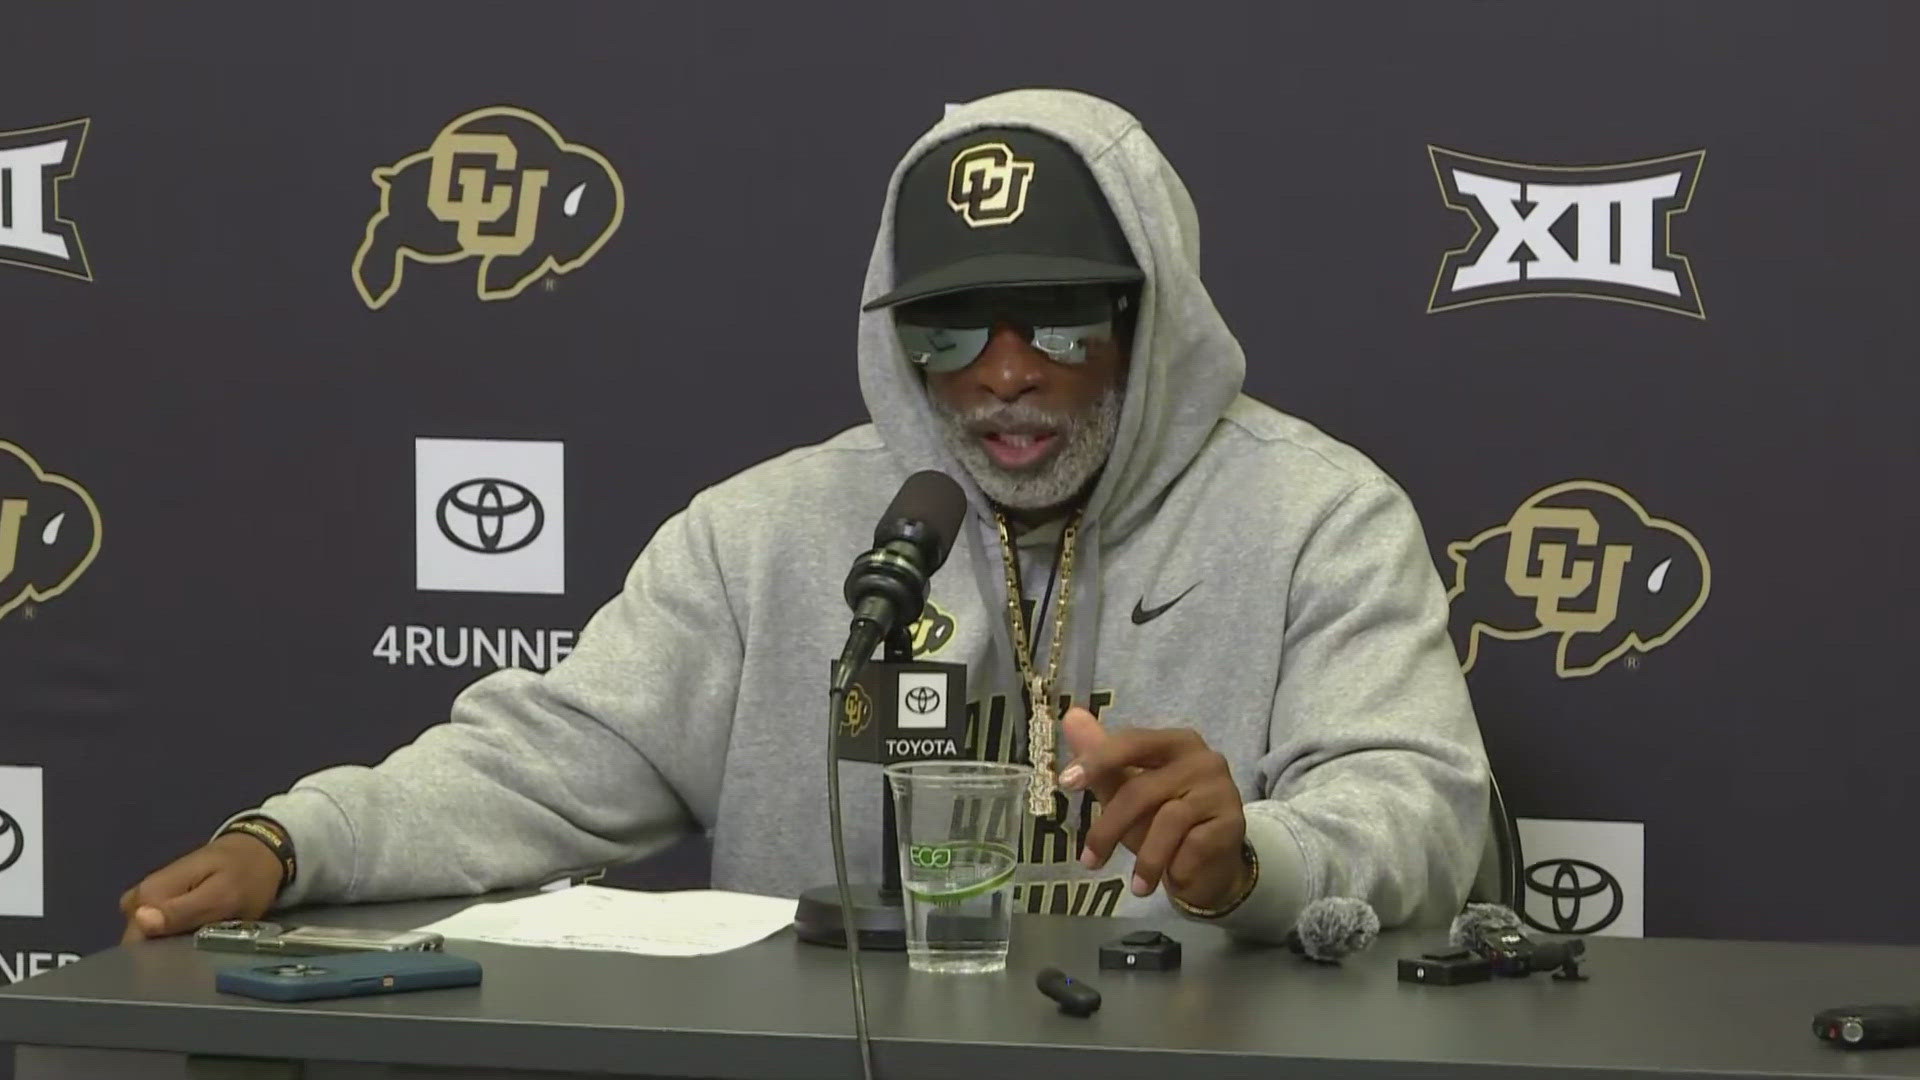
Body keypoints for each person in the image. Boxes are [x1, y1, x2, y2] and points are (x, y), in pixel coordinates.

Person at [121, 88, 1489, 946]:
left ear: (1158, 320)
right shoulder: (772, 532)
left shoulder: (1319, 518)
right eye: (950, 331)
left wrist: (1255, 850)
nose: (1005, 373)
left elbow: (1421, 807)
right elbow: (545, 758)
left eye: (1061, 317)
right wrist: (297, 844)